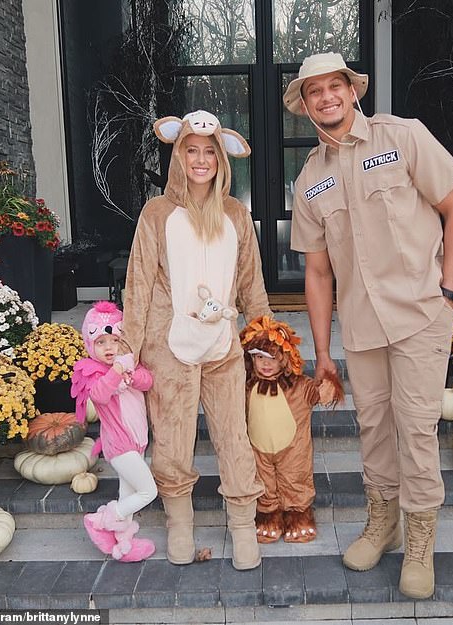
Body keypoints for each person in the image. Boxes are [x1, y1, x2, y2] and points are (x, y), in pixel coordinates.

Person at [284, 52, 453, 598]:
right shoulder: (309, 182)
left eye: (333, 86)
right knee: (374, 429)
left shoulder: (402, 137)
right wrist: (322, 351)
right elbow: (317, 273)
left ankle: (419, 541)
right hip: (362, 327)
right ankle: (382, 523)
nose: (326, 98)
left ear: (352, 90)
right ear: (305, 105)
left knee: (415, 428)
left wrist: (450, 292)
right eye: (314, 91)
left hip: (419, 315)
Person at [119, 110, 271, 570]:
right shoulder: (156, 213)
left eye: (210, 152)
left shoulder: (235, 214)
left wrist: (268, 340)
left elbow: (252, 284)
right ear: (178, 154)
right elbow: (139, 282)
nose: (201, 160)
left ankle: (243, 526)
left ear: (222, 158)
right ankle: (179, 526)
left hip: (223, 346)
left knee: (234, 436)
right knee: (171, 439)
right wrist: (128, 348)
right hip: (169, 348)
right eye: (192, 150)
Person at [239, 315, 343, 544]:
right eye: (259, 358)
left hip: (293, 449)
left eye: (273, 358)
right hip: (259, 448)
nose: (266, 364)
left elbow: (319, 395)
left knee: (295, 479)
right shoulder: (246, 386)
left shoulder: (299, 386)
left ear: (285, 358)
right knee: (263, 481)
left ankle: (298, 518)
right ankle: (268, 518)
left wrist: (328, 385)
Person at [71, 300, 157, 562]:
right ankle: (102, 519)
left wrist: (129, 372)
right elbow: (100, 394)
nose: (109, 348)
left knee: (128, 493)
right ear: (90, 345)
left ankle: (123, 545)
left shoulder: (129, 364)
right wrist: (118, 370)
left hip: (137, 441)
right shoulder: (93, 373)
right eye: (101, 342)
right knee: (148, 491)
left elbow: (147, 380)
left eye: (115, 341)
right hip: (119, 446)